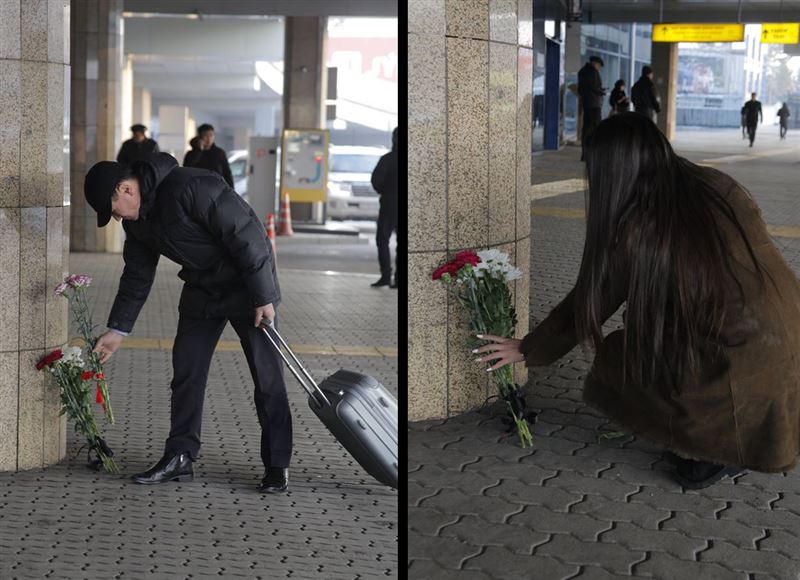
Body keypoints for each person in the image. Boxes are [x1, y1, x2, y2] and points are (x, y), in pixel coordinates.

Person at [474, 112, 800, 490]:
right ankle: (720, 436)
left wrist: (528, 348)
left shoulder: (642, 224)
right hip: (787, 332)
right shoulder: (715, 183)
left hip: (735, 356)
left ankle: (714, 447)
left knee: (620, 355)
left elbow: (592, 300)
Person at [83, 152, 292, 493]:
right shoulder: (138, 223)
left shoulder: (192, 186)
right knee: (187, 373)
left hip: (247, 287)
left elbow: (248, 235)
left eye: (113, 209)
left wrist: (264, 297)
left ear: (125, 189)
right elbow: (136, 276)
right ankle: (180, 456)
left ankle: (277, 464)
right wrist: (117, 330)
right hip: (203, 290)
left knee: (267, 377)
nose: (117, 219)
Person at [370, 127, 398, 288]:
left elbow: (376, 181)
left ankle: (386, 275)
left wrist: (386, 191)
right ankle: (399, 278)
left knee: (383, 239)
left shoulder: (387, 159)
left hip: (388, 204)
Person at [577, 56, 605, 161]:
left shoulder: (582, 71)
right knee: (596, 129)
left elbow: (583, 88)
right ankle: (594, 154)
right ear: (595, 63)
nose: (599, 69)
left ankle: (585, 153)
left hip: (586, 104)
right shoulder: (593, 72)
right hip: (594, 104)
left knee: (587, 129)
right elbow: (594, 87)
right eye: (599, 66)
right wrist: (601, 92)